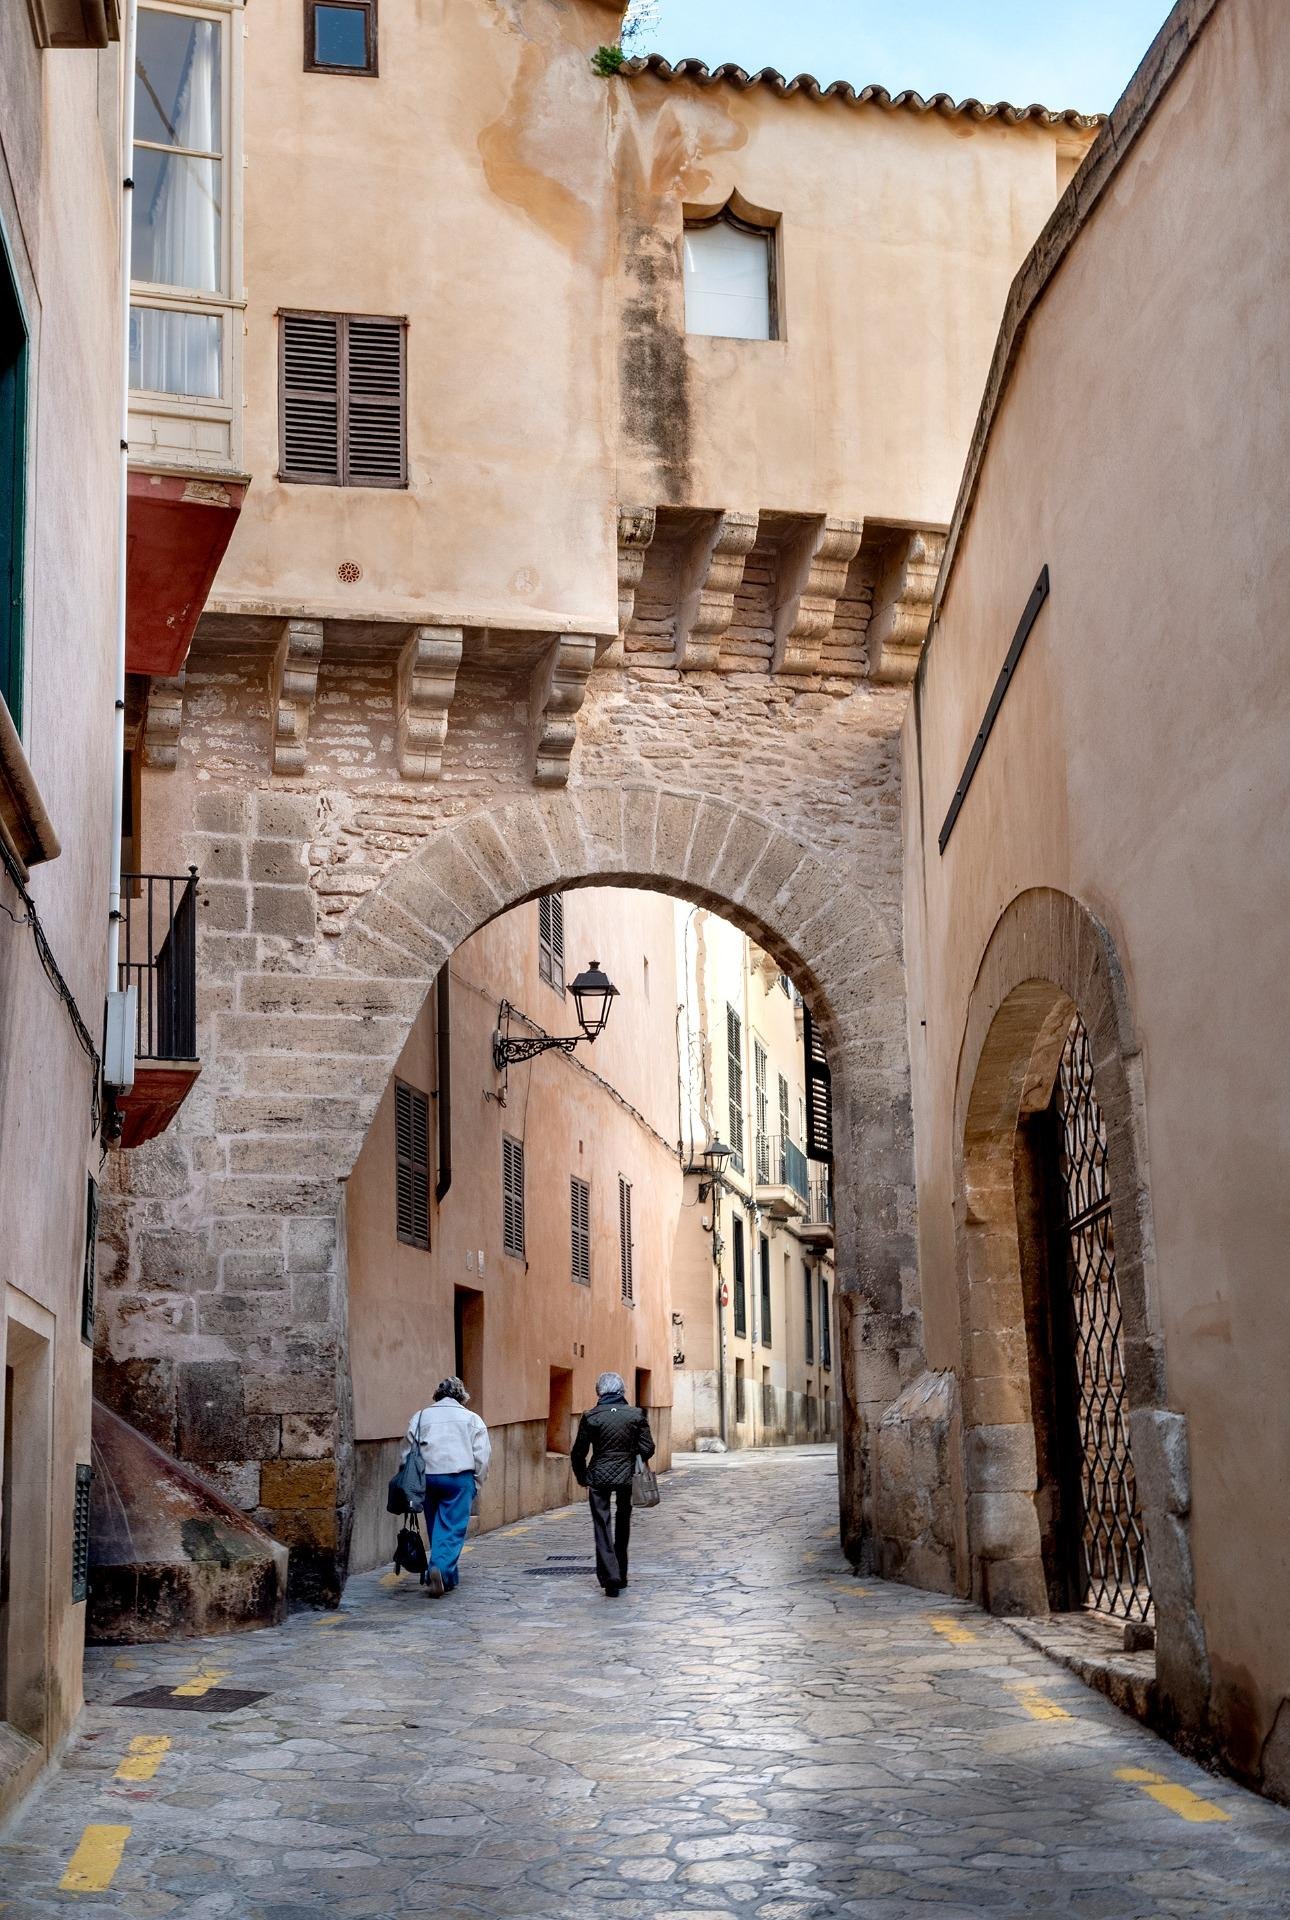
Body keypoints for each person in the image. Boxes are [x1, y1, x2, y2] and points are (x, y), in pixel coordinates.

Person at [402, 1377, 491, 1597]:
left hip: (428, 1477)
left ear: (437, 1395)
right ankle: (440, 1569)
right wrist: (476, 1482)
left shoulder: (420, 1417)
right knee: (452, 1528)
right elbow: (482, 1455)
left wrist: (410, 1481)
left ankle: (448, 1576)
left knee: (435, 1526)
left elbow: (407, 1453)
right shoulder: (471, 1418)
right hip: (459, 1478)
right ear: (462, 1396)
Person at [571, 1371, 654, 1597]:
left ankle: (611, 1577)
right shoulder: (636, 1415)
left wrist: (582, 1477)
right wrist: (632, 1454)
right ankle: (622, 1574)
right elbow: (648, 1448)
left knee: (602, 1524)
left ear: (599, 1391)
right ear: (622, 1391)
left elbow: (578, 1452)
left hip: (598, 1476)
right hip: (627, 1476)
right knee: (623, 1521)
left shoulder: (591, 1416)